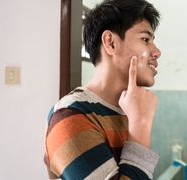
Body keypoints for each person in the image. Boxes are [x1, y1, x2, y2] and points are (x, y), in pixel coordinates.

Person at [44, 0, 161, 179]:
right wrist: (140, 126)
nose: (157, 52)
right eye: (145, 39)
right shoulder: (69, 116)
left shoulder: (128, 111)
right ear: (111, 43)